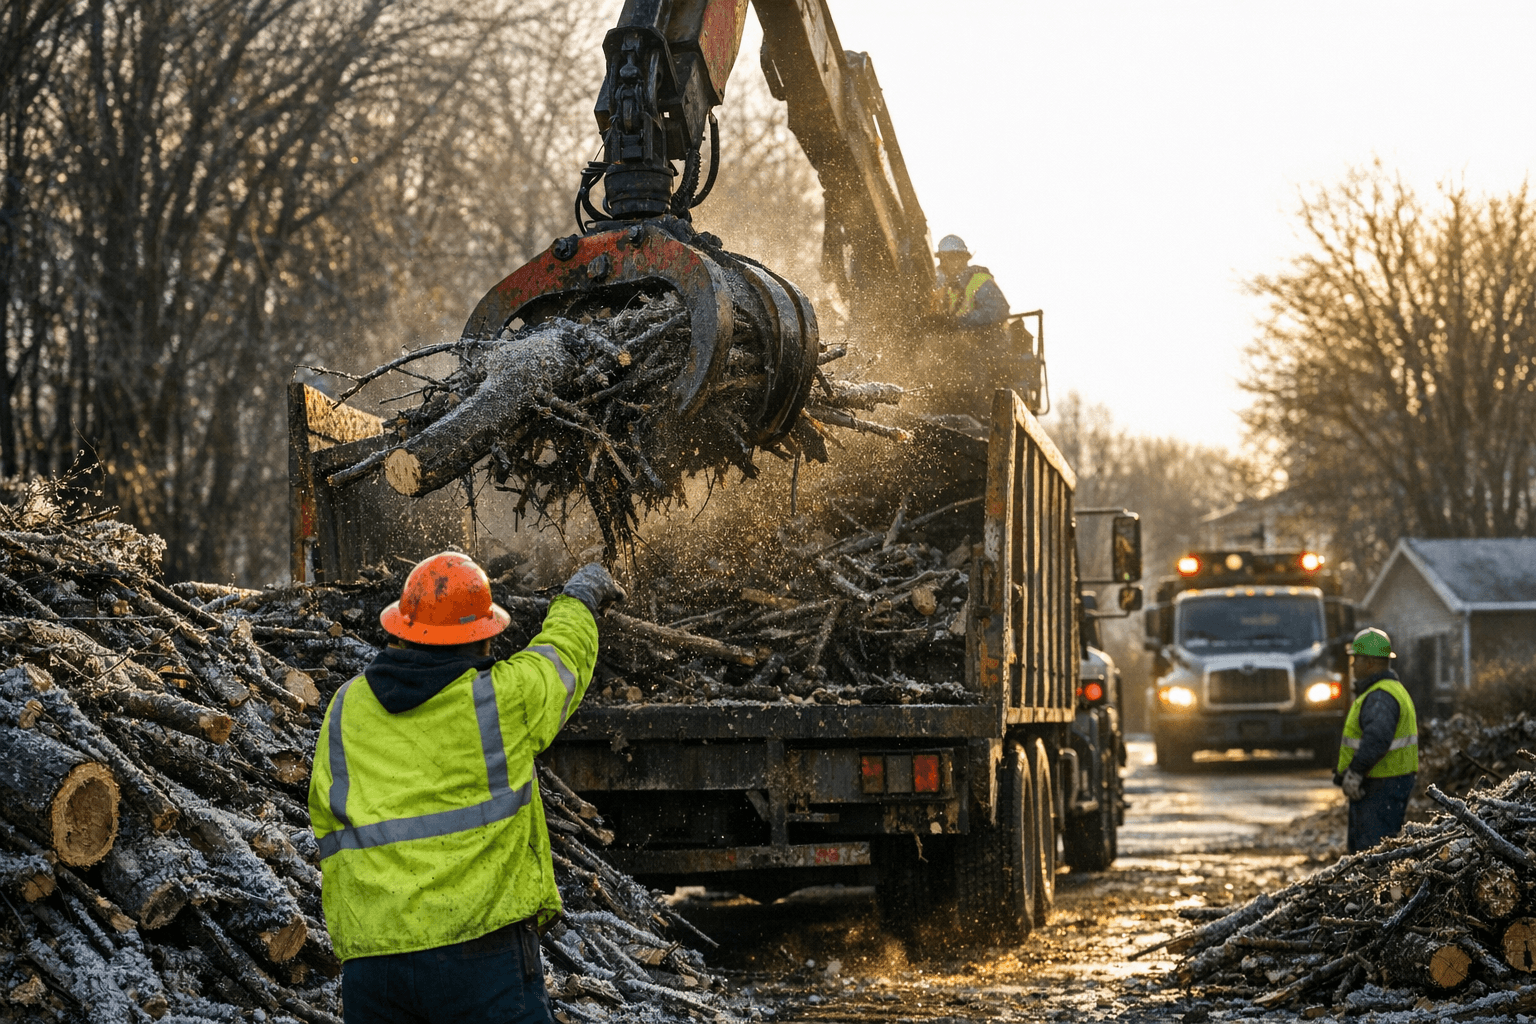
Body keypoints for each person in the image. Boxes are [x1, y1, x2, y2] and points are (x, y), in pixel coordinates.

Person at [309, 552, 625, 1024]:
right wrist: (579, 598)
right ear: (482, 640)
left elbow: (324, 815)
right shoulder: (499, 700)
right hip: (482, 955)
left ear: (400, 630)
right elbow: (561, 658)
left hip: (374, 965)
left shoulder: (345, 708)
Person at [1333, 626, 1418, 853]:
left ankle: (1379, 891)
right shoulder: (1388, 691)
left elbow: (1377, 738)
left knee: (1373, 854)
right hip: (1385, 783)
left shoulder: (1380, 696)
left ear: (1369, 663)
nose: (1352, 665)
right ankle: (1383, 890)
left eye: (1356, 659)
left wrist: (1355, 772)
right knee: (1377, 852)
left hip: (1380, 785)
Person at [935, 234, 1010, 328]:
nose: (945, 264)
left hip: (986, 339)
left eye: (951, 258)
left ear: (964, 259)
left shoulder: (980, 280)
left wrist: (961, 321)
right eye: (942, 259)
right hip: (962, 340)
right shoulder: (945, 286)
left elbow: (999, 310)